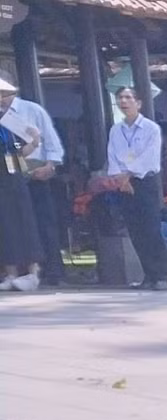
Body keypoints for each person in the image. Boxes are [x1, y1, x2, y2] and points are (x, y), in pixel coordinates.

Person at [104, 87, 167, 290]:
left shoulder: (150, 128)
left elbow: (149, 157)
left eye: (128, 98)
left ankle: (162, 275)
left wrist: (129, 174)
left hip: (144, 180)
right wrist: (120, 177)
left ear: (138, 103)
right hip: (123, 184)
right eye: (120, 98)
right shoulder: (116, 129)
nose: (124, 102)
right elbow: (113, 155)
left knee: (151, 228)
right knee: (135, 230)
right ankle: (148, 274)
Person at [0, 76, 64, 286]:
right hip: (8, 173)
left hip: (33, 169)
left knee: (39, 222)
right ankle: (12, 272)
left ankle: (47, 272)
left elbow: (49, 141)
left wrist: (51, 164)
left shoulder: (32, 110)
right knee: (8, 223)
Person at [0, 78, 40, 291]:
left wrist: (34, 141)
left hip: (13, 169)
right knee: (4, 223)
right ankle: (11, 272)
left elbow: (27, 145)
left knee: (23, 218)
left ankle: (32, 272)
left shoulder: (11, 119)